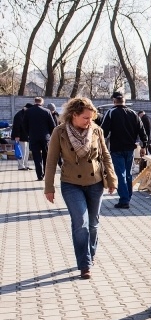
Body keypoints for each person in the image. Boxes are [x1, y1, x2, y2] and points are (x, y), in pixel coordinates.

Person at [43, 97, 118, 280]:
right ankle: (84, 265)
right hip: (71, 184)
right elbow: (51, 161)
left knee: (93, 224)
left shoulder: (96, 131)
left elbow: (106, 156)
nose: (89, 122)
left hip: (95, 183)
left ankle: (90, 256)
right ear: (74, 115)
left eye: (91, 118)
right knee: (81, 224)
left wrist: (112, 180)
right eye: (85, 118)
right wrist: (48, 187)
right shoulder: (59, 132)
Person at [101, 91, 147, 209]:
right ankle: (128, 196)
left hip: (117, 148)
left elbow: (103, 132)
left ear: (114, 101)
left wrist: (100, 145)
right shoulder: (133, 114)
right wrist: (144, 146)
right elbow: (142, 131)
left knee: (120, 174)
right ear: (124, 101)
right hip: (130, 148)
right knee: (128, 174)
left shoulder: (111, 113)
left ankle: (124, 199)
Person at [22, 97, 56, 180]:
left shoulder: (28, 112)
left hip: (34, 137)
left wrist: (29, 134)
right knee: (46, 156)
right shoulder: (47, 111)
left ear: (34, 102)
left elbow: (24, 125)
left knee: (36, 157)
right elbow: (53, 126)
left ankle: (39, 175)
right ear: (42, 102)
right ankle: (46, 173)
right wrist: (50, 135)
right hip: (45, 138)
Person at [11, 103, 32, 170]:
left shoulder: (24, 114)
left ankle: (25, 165)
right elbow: (16, 126)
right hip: (21, 136)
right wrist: (17, 135)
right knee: (22, 151)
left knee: (26, 152)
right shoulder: (19, 115)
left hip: (26, 136)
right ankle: (21, 165)